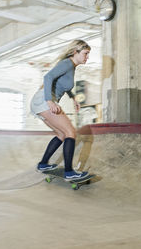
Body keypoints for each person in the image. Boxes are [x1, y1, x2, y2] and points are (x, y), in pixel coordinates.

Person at [30, 40, 91, 181]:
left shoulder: (71, 66)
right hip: (44, 100)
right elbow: (48, 77)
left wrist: (73, 98)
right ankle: (69, 172)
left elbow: (65, 85)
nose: (87, 57)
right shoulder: (67, 63)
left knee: (61, 134)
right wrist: (49, 101)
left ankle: (43, 164)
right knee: (71, 132)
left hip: (40, 101)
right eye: (85, 53)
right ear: (75, 52)